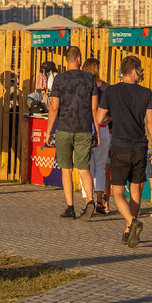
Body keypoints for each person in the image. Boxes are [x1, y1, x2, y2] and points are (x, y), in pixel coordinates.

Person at [96, 55, 152, 248]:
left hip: (120, 146)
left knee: (117, 193)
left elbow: (100, 117)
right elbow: (151, 124)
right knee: (135, 194)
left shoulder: (111, 91)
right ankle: (127, 231)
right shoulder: (146, 93)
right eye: (140, 70)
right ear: (134, 71)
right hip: (139, 146)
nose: (141, 74)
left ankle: (132, 223)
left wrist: (112, 115)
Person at [46, 46, 98, 219]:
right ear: (79, 59)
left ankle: (70, 207)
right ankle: (90, 201)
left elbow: (53, 108)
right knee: (84, 169)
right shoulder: (90, 78)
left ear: (67, 60)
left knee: (66, 169)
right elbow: (94, 108)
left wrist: (48, 132)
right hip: (84, 128)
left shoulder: (59, 79)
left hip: (64, 128)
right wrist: (96, 131)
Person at [82, 57, 110, 213]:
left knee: (86, 166)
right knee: (101, 167)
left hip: (86, 126)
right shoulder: (104, 86)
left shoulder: (83, 86)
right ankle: (100, 201)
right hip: (103, 126)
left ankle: (89, 201)